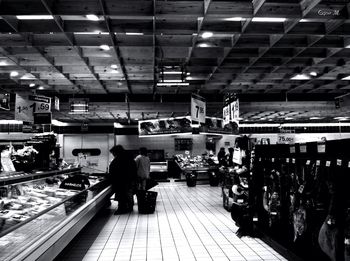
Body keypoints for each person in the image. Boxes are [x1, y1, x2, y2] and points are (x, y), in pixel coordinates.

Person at [109, 145, 137, 214]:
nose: (113, 155)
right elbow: (134, 168)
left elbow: (114, 170)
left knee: (121, 195)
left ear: (116, 152)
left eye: (113, 153)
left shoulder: (119, 159)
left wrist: (110, 177)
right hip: (129, 179)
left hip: (121, 180)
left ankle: (122, 208)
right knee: (129, 193)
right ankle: (129, 207)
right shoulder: (129, 157)